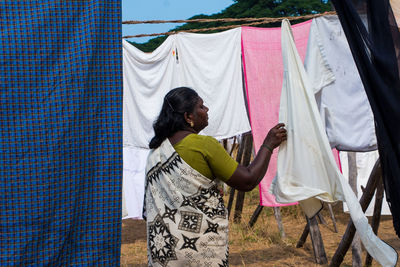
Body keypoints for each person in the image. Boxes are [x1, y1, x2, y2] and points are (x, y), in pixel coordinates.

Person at [143, 87, 287, 266]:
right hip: (199, 253)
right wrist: (268, 145)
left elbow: (151, 209)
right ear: (189, 117)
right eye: (201, 107)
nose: (207, 110)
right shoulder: (204, 145)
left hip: (164, 253)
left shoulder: (155, 153)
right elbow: (247, 179)